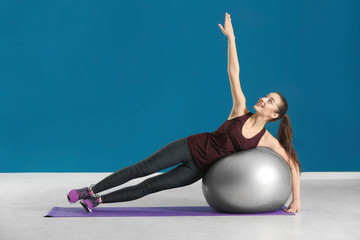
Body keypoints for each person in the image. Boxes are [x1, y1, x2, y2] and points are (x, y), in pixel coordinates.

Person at [67, 12, 301, 214]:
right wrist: (232, 39)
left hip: (196, 170)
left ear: (274, 115)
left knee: (149, 186)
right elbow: (234, 72)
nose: (263, 98)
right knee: (140, 169)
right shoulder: (241, 108)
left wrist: (296, 199)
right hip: (189, 147)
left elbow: (292, 165)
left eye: (270, 101)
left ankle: (97, 201)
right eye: (266, 95)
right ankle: (89, 190)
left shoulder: (266, 140)